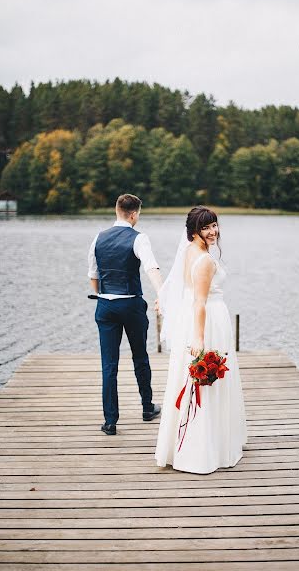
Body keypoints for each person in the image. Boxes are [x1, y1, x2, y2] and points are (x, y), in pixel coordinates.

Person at [155, 206, 247, 473]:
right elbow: (200, 301)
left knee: (192, 381)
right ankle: (205, 448)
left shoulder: (188, 251)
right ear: (194, 230)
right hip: (207, 322)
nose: (213, 231)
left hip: (192, 320)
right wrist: (199, 337)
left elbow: (181, 288)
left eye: (215, 225)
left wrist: (163, 299)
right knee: (206, 383)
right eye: (206, 227)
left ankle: (185, 446)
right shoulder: (205, 260)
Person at [88, 194, 163, 435]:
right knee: (140, 357)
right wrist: (163, 294)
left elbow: (94, 276)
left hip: (106, 306)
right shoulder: (139, 238)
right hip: (131, 305)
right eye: (138, 214)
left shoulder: (98, 238)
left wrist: (105, 296)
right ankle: (147, 407)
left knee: (108, 365)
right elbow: (151, 266)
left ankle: (110, 422)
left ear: (116, 210)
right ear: (133, 214)